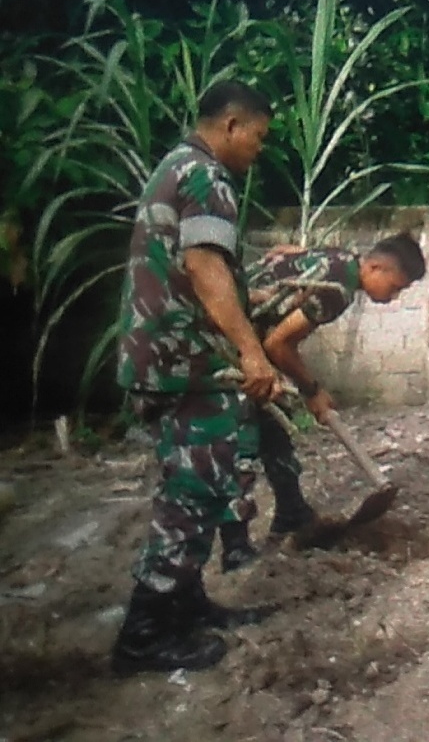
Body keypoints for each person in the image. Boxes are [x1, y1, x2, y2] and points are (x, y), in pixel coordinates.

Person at [111, 80, 281, 676]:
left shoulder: (176, 167)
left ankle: (186, 607)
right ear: (232, 125)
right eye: (258, 136)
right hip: (183, 365)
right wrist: (252, 353)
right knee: (193, 493)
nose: (259, 149)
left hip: (164, 357)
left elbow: (193, 269)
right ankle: (144, 635)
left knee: (198, 485)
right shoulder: (206, 177)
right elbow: (204, 267)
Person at [216, 232, 427, 570]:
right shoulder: (337, 291)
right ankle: (235, 549)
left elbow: (283, 252)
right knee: (243, 446)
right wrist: (313, 390)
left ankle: (291, 513)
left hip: (241, 344)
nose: (393, 297)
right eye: (395, 287)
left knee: (273, 428)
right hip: (229, 347)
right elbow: (277, 345)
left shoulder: (338, 259)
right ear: (375, 267)